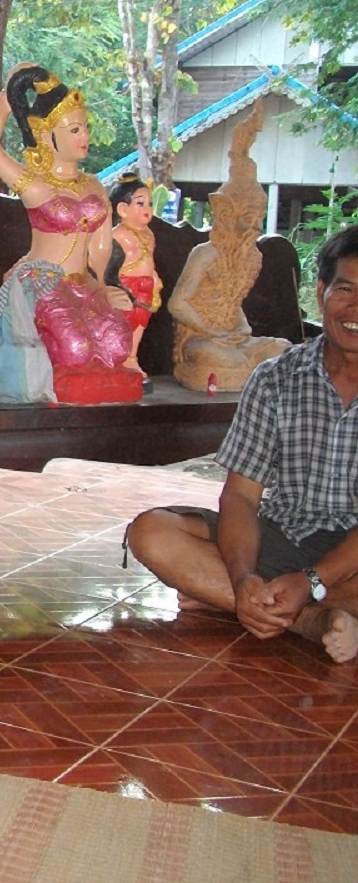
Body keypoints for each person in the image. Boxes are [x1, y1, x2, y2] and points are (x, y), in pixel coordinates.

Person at [125, 225, 358, 664]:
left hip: (351, 554)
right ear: (321, 292)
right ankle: (309, 621)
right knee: (151, 532)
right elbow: (241, 496)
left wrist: (310, 580)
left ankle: (237, 600)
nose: (355, 308)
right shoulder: (276, 378)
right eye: (345, 289)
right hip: (285, 537)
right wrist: (242, 577)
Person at [0, 63, 135, 404]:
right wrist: (7, 97)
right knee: (76, 349)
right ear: (46, 136)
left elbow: (100, 248)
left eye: (85, 128)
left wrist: (105, 287)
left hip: (83, 285)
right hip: (43, 284)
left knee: (118, 344)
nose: (85, 137)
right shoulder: (35, 185)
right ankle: (52, 378)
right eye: (74, 130)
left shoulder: (94, 186)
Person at [105, 174, 164, 379]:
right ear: (123, 209)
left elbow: (149, 259)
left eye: (149, 203)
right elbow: (105, 265)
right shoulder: (117, 234)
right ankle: (114, 358)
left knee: (140, 322)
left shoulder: (149, 234)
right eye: (140, 203)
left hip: (146, 285)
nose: (147, 209)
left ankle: (131, 356)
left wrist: (154, 278)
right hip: (125, 285)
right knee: (122, 322)